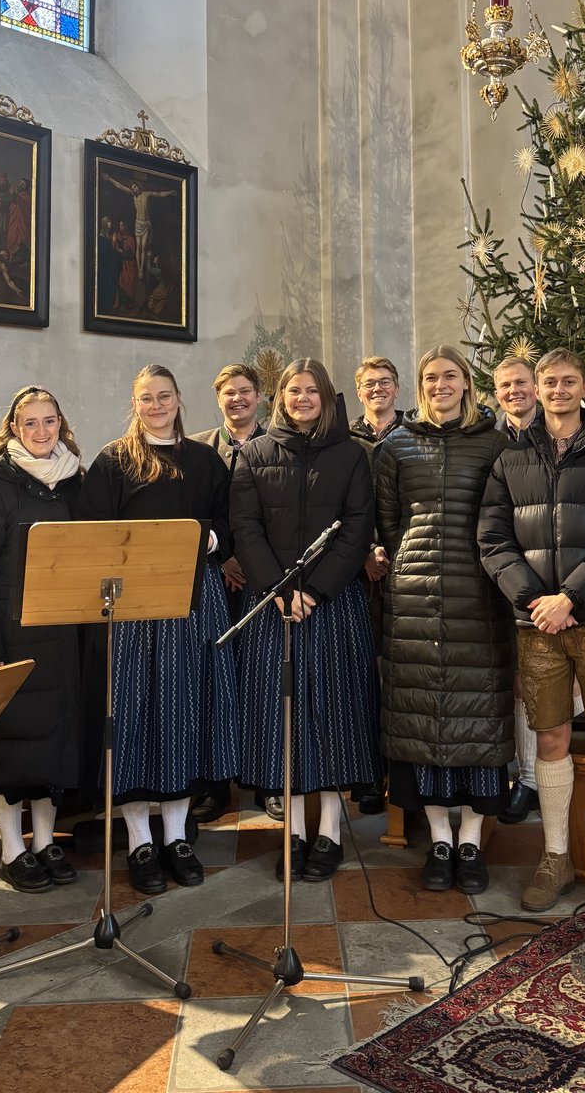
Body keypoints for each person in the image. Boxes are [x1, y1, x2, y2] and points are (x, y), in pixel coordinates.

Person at [478, 348, 585, 925]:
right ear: (537, 388)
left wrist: (571, 597)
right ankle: (554, 858)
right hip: (537, 624)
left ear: (584, 387)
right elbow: (493, 541)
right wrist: (535, 602)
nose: (557, 390)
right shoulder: (509, 460)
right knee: (549, 737)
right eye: (548, 381)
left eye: (567, 381)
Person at [78, 365, 238, 894]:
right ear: (134, 403)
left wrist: (209, 540)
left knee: (184, 712)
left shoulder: (204, 459)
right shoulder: (114, 461)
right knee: (134, 714)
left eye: (164, 396)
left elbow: (231, 522)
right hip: (134, 606)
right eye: (146, 398)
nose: (156, 405)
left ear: (178, 399)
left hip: (195, 599)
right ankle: (140, 840)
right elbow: (92, 533)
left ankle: (176, 837)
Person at [230, 358, 379, 882]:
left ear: (327, 397)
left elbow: (357, 528)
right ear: (280, 397)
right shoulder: (254, 453)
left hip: (332, 602)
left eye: (312, 390)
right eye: (294, 390)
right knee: (283, 720)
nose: (303, 398)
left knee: (333, 717)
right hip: (273, 604)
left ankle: (330, 832)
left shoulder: (351, 455)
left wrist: (314, 589)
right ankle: (292, 833)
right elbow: (245, 527)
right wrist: (278, 588)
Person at [374, 345, 514, 895]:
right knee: (421, 720)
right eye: (431, 377)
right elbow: (389, 520)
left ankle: (471, 841)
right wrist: (405, 563)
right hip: (412, 597)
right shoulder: (396, 445)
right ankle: (439, 839)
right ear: (420, 385)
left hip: (478, 595)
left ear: (467, 383)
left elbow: (502, 518)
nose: (440, 385)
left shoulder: (494, 444)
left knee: (479, 717)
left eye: (450, 376)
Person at [0, 386, 84, 893]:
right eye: (29, 422)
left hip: (66, 638)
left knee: (55, 746)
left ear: (61, 424)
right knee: (11, 747)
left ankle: (45, 842)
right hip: (12, 638)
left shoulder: (75, 481)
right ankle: (13, 849)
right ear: (13, 428)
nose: (40, 431)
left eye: (49, 421)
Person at [190, 362, 266, 824]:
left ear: (259, 395)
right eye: (228, 392)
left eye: (245, 391)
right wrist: (224, 561)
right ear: (217, 398)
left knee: (259, 680)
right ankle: (214, 784)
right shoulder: (199, 449)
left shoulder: (276, 445)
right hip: (214, 580)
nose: (237, 399)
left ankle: (265, 781)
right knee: (214, 681)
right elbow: (201, 513)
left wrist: (247, 562)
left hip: (262, 581)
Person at [490, 356, 552, 826]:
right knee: (511, 677)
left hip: (549, 575)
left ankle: (538, 775)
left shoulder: (558, 433)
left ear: (537, 388)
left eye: (522, 383)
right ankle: (518, 773)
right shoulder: (491, 440)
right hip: (500, 573)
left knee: (542, 678)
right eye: (505, 385)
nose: (515, 391)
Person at [349, 356, 405, 816]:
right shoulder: (345, 440)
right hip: (359, 571)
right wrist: (366, 550)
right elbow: (344, 504)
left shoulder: (415, 434)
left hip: (409, 565)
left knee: (402, 671)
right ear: (359, 391)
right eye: (369, 384)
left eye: (385, 382)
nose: (377, 389)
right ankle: (370, 771)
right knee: (367, 672)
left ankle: (402, 769)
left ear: (397, 389)